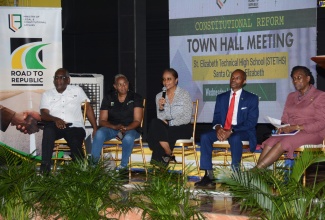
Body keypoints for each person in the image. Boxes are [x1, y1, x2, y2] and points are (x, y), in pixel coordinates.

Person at [195, 69, 259, 187]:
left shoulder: (251, 98)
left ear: (244, 81)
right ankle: (208, 175)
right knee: (204, 137)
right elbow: (216, 118)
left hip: (242, 131)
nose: (233, 80)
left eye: (237, 78)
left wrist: (231, 130)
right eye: (232, 77)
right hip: (224, 130)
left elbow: (251, 122)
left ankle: (236, 175)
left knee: (235, 138)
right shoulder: (221, 97)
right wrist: (219, 128)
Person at [256, 66, 325, 169]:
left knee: (284, 142)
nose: (295, 81)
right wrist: (282, 126)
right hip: (292, 131)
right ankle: (259, 174)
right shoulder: (291, 96)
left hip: (313, 133)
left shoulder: (320, 96)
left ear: (308, 78)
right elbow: (285, 117)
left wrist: (296, 127)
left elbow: (321, 123)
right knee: (270, 141)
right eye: (294, 78)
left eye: (299, 77)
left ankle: (255, 171)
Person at [39, 68, 97, 173]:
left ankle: (81, 170)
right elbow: (44, 114)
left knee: (75, 140)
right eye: (56, 78)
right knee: (48, 131)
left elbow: (88, 108)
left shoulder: (77, 90)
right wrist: (55, 119)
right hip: (55, 124)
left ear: (68, 80)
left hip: (74, 126)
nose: (58, 80)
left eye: (62, 78)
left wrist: (95, 127)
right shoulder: (47, 94)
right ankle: (45, 168)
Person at [91, 74, 143, 169]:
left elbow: (137, 121)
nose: (123, 87)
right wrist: (114, 127)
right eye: (119, 84)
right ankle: (93, 166)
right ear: (115, 86)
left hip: (131, 128)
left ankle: (123, 167)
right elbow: (102, 121)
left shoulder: (136, 97)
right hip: (112, 127)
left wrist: (126, 128)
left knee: (128, 138)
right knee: (99, 133)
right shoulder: (108, 98)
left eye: (125, 84)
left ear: (128, 84)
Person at [147, 68, 192, 165]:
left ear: (176, 80)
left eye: (169, 79)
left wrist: (171, 123)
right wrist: (161, 107)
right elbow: (160, 118)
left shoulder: (184, 94)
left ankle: (158, 169)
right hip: (166, 128)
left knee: (157, 136)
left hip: (182, 127)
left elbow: (187, 118)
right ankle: (168, 152)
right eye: (164, 79)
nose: (166, 82)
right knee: (154, 122)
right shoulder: (159, 96)